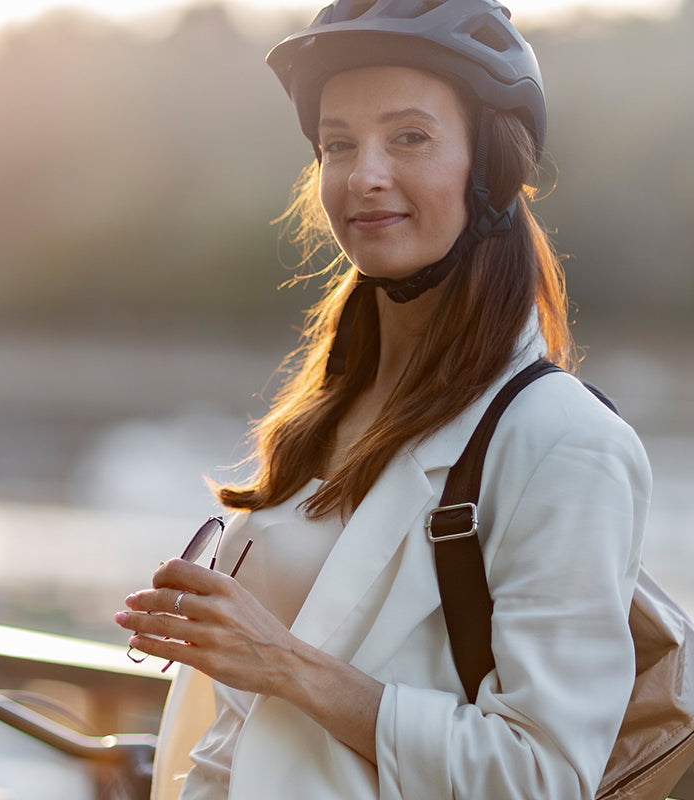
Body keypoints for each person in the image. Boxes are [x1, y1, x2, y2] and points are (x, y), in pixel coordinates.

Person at [114, 1, 652, 798]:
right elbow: (238, 729)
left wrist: (285, 662)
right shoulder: (323, 415)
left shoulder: (565, 445)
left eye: (409, 137)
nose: (364, 172)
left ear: (492, 168)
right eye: (338, 144)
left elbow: (540, 775)